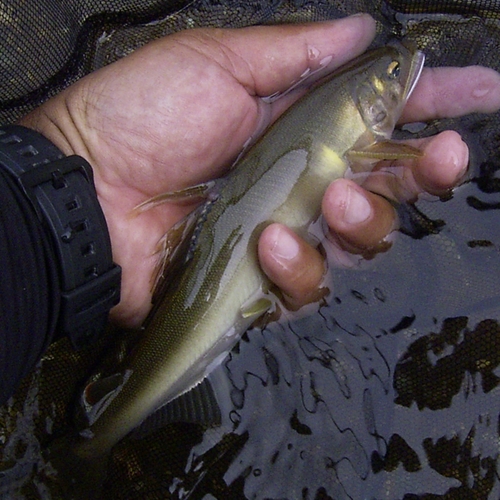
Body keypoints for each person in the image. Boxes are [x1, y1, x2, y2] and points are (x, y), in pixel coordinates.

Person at [2, 14, 499, 404]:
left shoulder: (356, 124)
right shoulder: (371, 140)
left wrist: (58, 208)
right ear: (366, 106)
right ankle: (99, 438)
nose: (402, 75)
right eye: (394, 75)